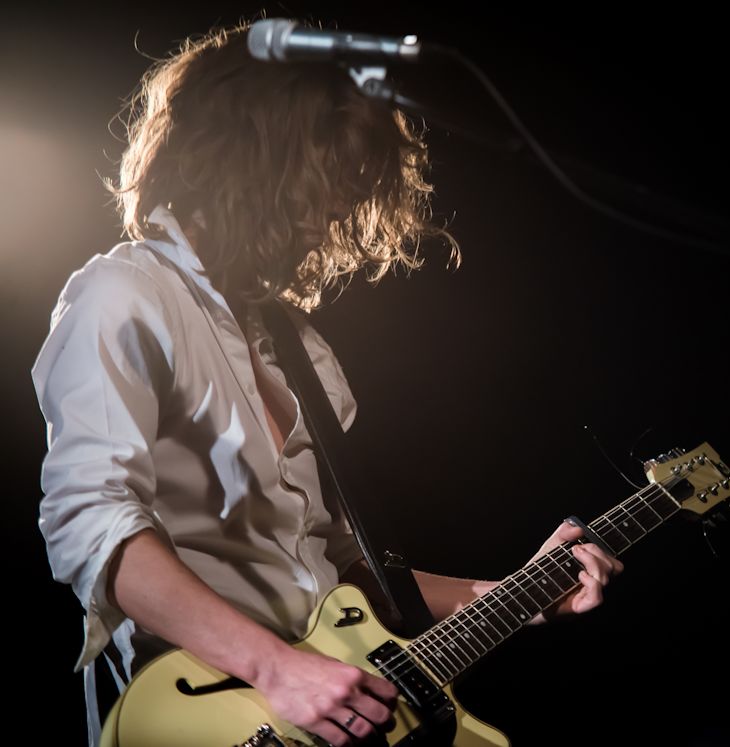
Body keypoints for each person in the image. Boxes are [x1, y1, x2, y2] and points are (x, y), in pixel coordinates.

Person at [32, 19, 623, 747]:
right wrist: (278, 670)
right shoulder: (123, 293)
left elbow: (338, 570)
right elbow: (93, 525)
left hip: (323, 705)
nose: (331, 216)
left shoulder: (299, 349)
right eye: (317, 186)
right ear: (246, 163)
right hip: (209, 712)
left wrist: (513, 594)